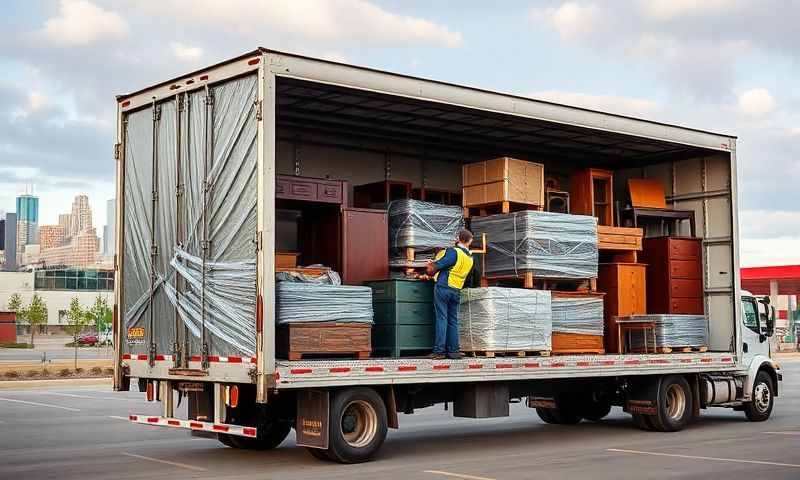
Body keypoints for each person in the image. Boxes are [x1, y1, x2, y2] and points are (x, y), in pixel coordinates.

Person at [426, 229, 474, 359]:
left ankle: (439, 351)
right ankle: (453, 351)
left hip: (443, 288)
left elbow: (438, 266)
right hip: (456, 290)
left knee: (442, 318)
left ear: (458, 238)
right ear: (469, 241)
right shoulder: (470, 258)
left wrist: (430, 265)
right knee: (453, 321)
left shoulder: (454, 252)